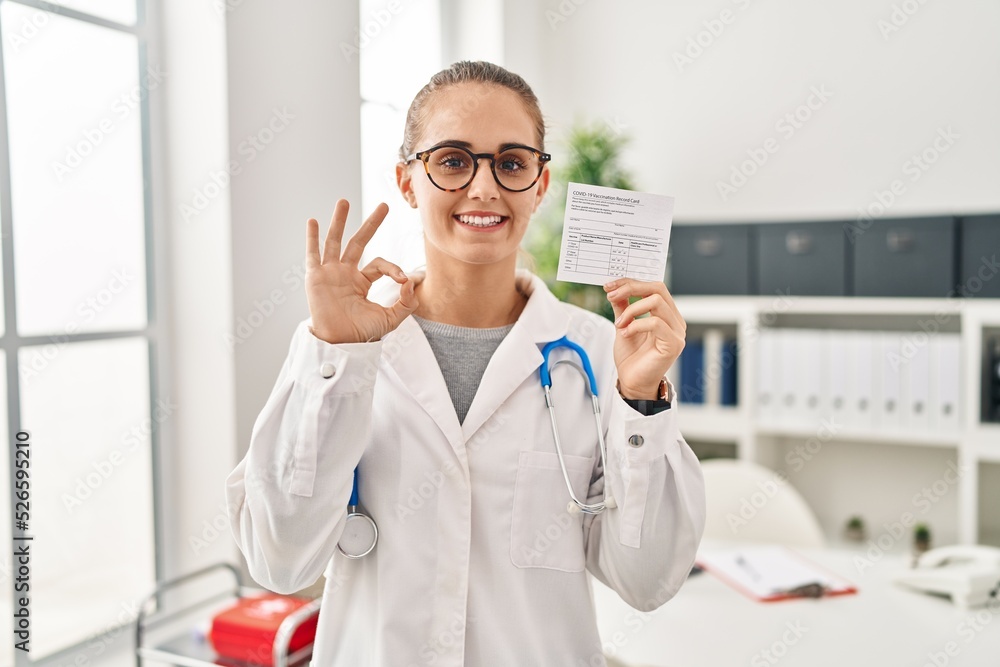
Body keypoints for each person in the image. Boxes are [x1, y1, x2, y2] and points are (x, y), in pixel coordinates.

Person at [226, 60, 705, 666]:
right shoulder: (341, 344)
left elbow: (647, 580)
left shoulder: (602, 356)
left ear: (540, 185)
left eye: (511, 162)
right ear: (407, 182)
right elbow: (280, 559)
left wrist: (641, 403)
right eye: (453, 160)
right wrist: (337, 361)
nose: (485, 188)